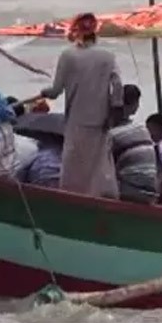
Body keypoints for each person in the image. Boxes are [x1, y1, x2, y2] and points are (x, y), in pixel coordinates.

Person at [37, 12, 123, 198]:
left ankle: (73, 202)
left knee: (74, 170)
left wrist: (44, 93)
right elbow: (117, 85)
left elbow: (56, 90)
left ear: (76, 31)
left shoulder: (68, 55)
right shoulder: (108, 56)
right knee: (98, 168)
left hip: (77, 121)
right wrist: (114, 111)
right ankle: (100, 200)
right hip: (100, 121)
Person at [109, 84, 160, 204]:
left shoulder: (113, 135)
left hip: (129, 193)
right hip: (151, 194)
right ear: (135, 106)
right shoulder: (142, 129)